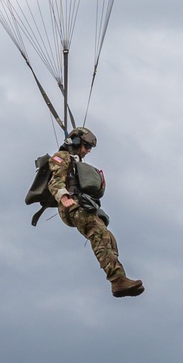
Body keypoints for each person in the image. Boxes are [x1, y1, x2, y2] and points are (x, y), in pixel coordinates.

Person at [47, 127, 145, 298]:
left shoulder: (75, 161)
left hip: (82, 204)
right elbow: (55, 181)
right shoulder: (61, 157)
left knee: (107, 236)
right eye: (86, 146)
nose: (88, 151)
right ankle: (117, 280)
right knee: (98, 233)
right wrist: (64, 198)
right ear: (76, 142)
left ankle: (119, 278)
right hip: (72, 206)